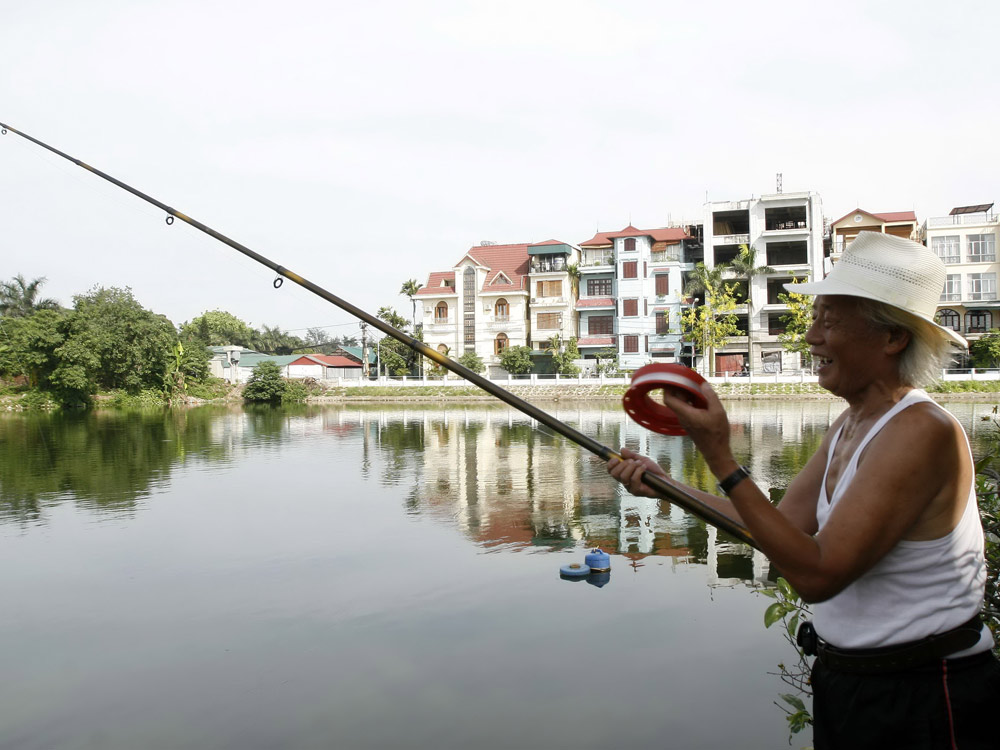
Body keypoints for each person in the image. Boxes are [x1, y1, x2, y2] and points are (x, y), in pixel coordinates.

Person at [607, 232, 1000, 749]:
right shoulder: (852, 423)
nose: (810, 336)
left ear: (892, 338)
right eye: (815, 318)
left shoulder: (921, 431)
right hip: (853, 683)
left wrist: (719, 455)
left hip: (924, 694)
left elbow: (817, 576)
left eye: (829, 320)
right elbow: (779, 529)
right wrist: (667, 487)